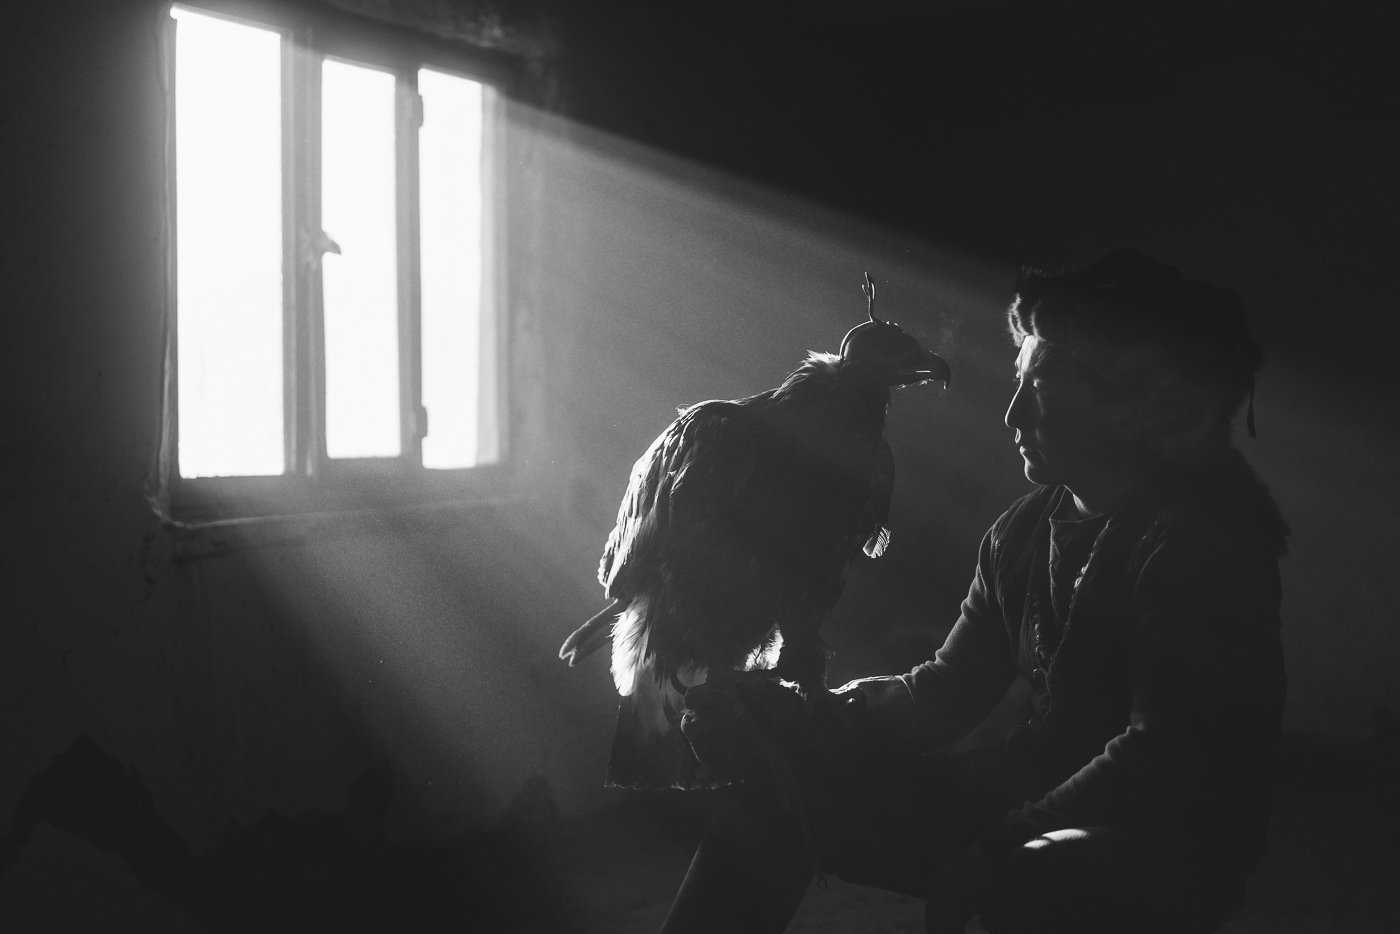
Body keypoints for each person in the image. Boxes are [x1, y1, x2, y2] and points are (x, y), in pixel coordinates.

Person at [659, 248, 1289, 934]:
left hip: (1164, 839)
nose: (1014, 415)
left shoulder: (1201, 544)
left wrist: (996, 850)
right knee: (769, 815)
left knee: (1033, 888)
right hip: (1029, 798)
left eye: (1041, 391)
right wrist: (808, 717)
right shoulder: (1022, 533)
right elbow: (947, 692)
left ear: (1128, 408)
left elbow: (1162, 754)